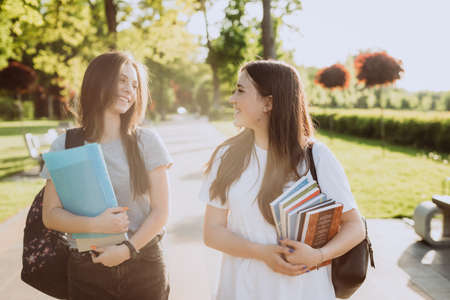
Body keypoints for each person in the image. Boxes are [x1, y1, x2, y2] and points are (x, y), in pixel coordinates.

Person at [200, 60, 365, 300]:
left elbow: (355, 226)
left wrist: (319, 256)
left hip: (304, 292)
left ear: (268, 103)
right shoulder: (226, 156)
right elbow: (212, 232)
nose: (232, 99)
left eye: (240, 90)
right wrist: (261, 253)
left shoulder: (316, 157)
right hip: (241, 290)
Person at [41, 51, 172, 300]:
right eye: (122, 80)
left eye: (134, 85)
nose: (129, 90)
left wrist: (126, 250)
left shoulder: (147, 141)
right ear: (98, 81)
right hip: (87, 269)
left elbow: (160, 213)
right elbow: (51, 215)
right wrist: (95, 224)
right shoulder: (66, 144)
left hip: (143, 264)